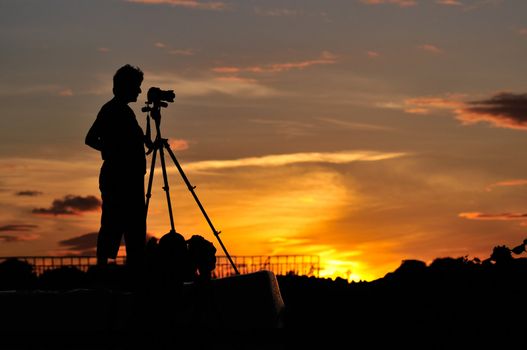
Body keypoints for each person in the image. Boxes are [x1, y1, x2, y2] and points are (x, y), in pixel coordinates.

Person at [85, 64, 148, 272]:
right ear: (125, 86)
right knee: (112, 225)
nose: (139, 91)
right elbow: (91, 139)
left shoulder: (126, 112)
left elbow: (139, 141)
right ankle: (102, 274)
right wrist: (113, 150)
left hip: (132, 179)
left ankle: (135, 273)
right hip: (119, 179)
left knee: (135, 230)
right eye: (137, 86)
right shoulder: (111, 110)